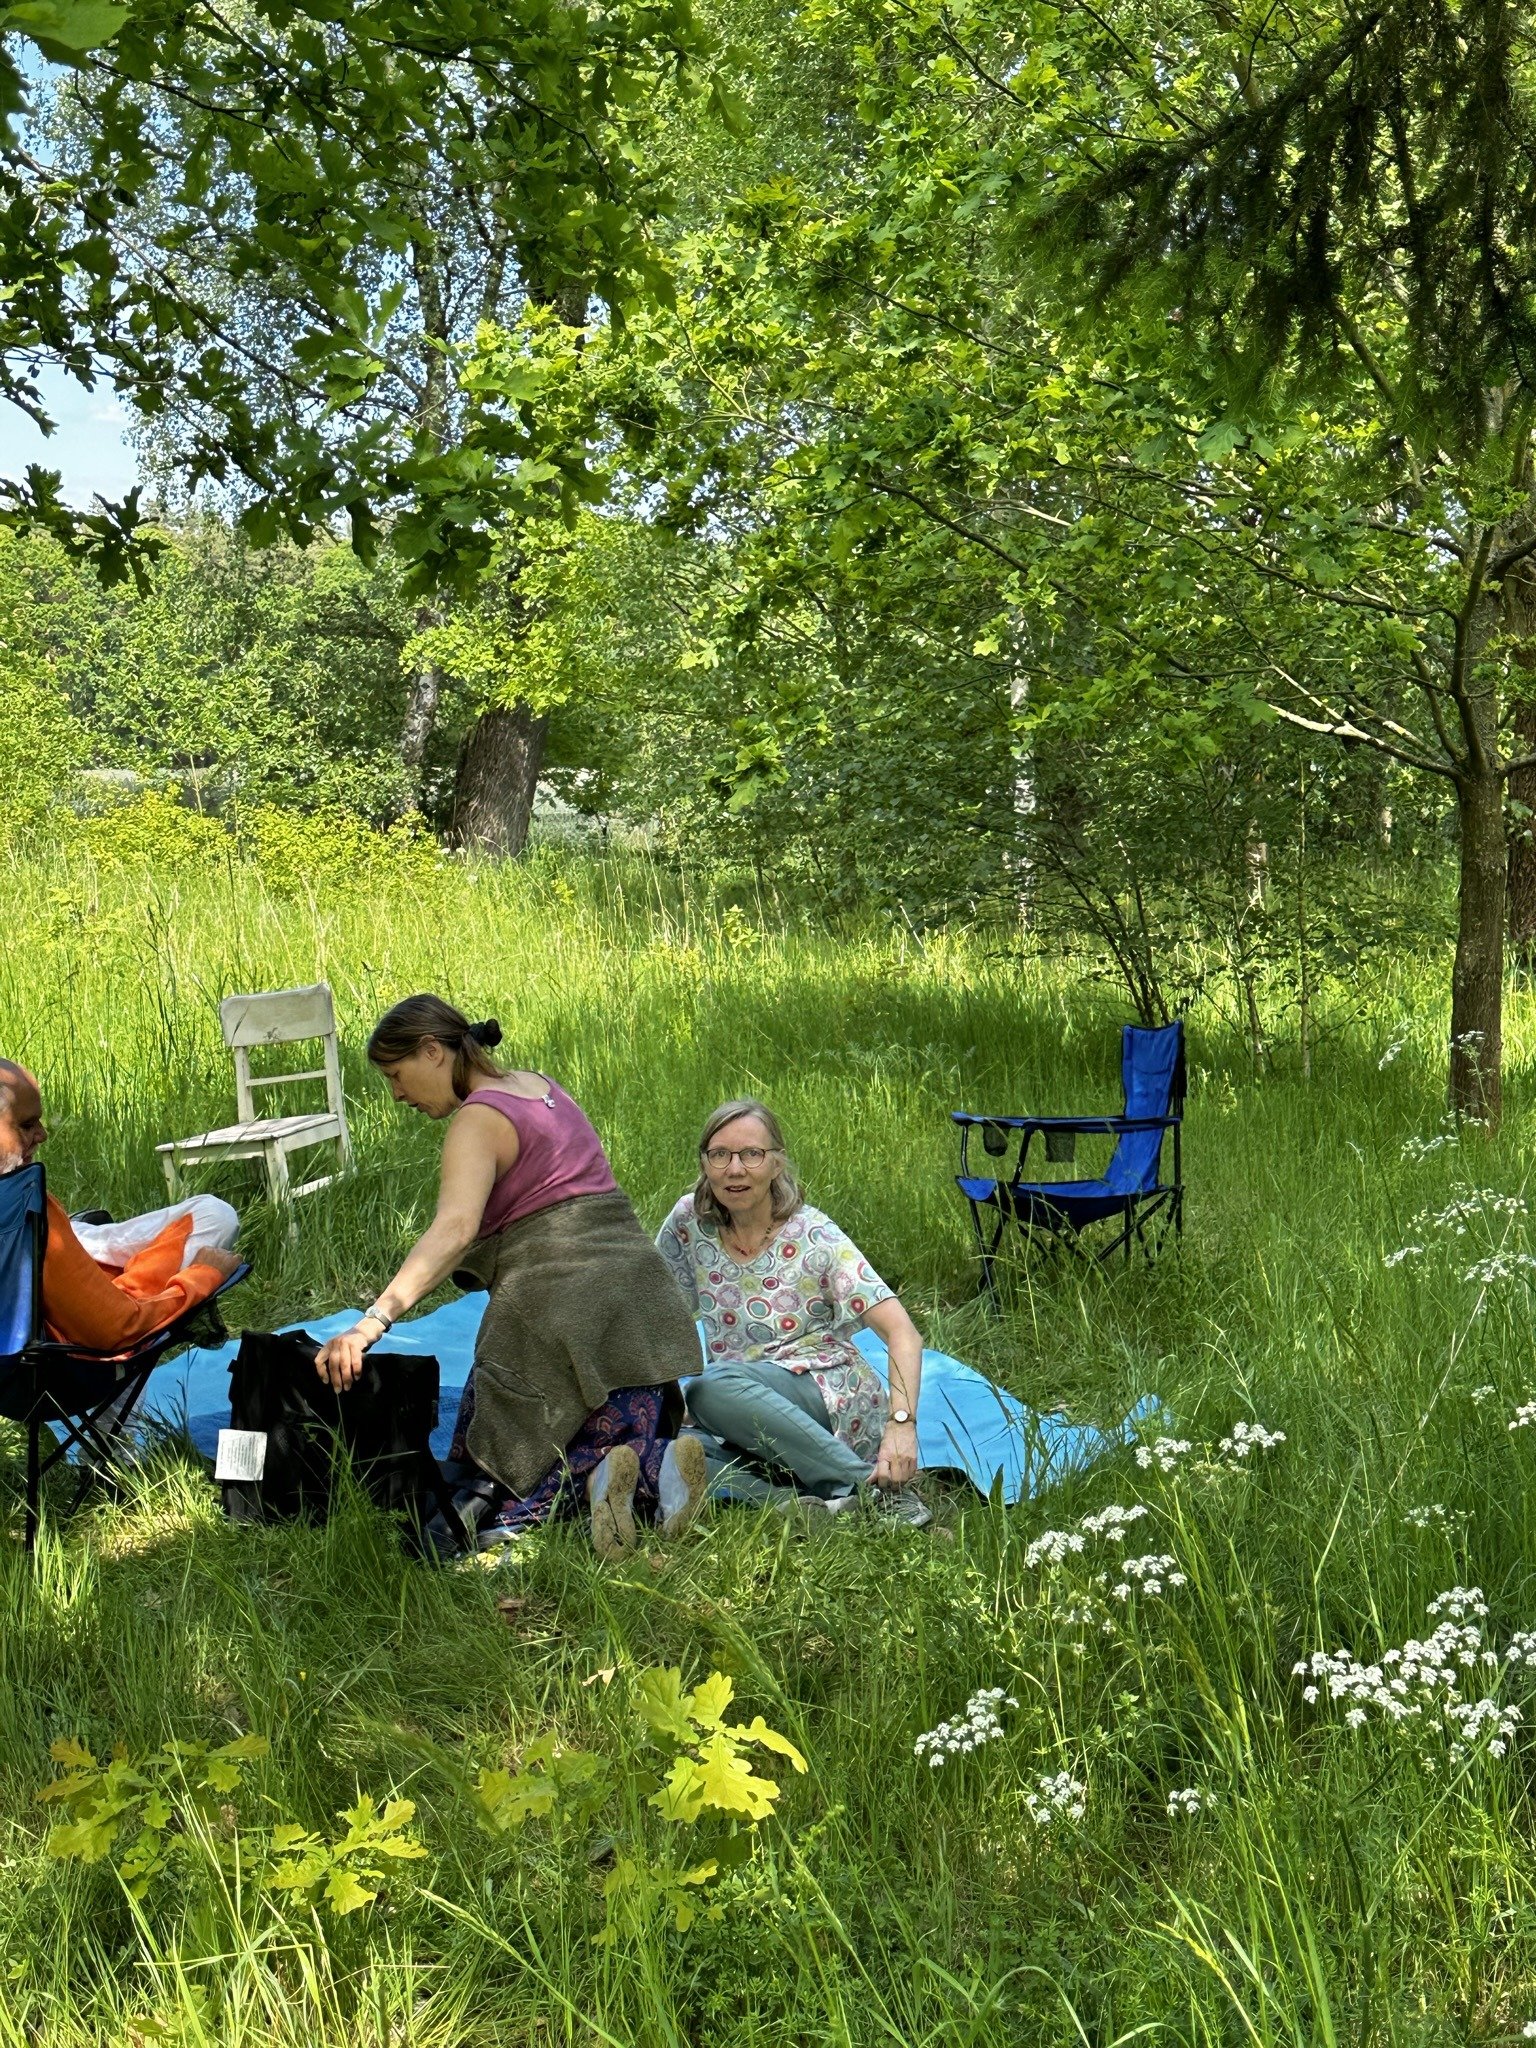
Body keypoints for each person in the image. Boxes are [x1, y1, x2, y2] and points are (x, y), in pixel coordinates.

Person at [313, 995, 708, 1557]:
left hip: (559, 1297)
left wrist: (370, 1323)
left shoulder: (477, 1121)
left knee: (493, 1456)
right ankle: (654, 1472)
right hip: (640, 1292)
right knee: (620, 1411)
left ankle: (598, 1483)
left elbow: (452, 1232)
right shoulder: (544, 1086)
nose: (397, 1095)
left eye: (396, 1076)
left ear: (433, 1051)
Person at [655, 1098, 930, 1524]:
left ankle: (869, 1489)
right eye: (719, 1155)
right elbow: (655, 1312)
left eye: (751, 1154)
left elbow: (903, 1333)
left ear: (777, 1163)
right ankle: (800, 1507)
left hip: (825, 1389)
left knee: (708, 1388)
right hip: (745, 1410)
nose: (734, 1169)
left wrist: (901, 1425)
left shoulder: (814, 1233)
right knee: (673, 1450)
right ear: (705, 1163)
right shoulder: (689, 1222)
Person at [0, 1059, 242, 1350]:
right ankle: (126, 1289)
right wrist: (203, 1275)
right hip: (74, 1354)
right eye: (27, 1125)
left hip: (66, 1258)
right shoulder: (25, 1210)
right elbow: (116, 1329)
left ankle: (88, 1247)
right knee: (215, 1216)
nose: (42, 1135)